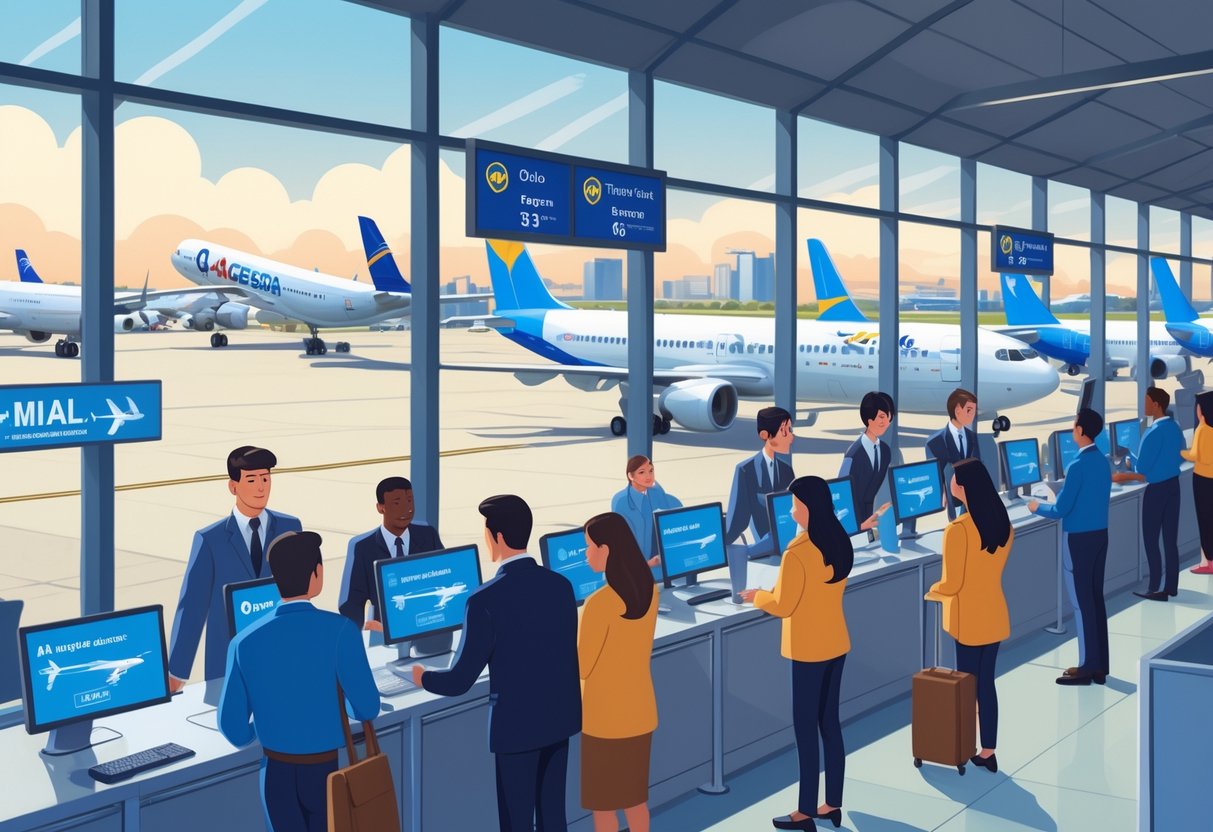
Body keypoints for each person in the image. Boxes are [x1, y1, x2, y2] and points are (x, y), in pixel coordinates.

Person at [411, 495, 581, 832]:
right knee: (553, 816)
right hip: (559, 719)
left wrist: (422, 677)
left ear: (498, 537)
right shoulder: (561, 586)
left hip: (517, 729)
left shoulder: (484, 600)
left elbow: (459, 681)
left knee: (517, 821)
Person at [218, 531, 380, 832]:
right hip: (327, 772)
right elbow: (367, 708)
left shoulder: (243, 642)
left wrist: (269, 722)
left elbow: (234, 729)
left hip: (275, 772)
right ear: (316, 574)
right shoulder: (341, 630)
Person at [739, 476, 853, 830]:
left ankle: (805, 811)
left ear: (805, 507)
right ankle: (832, 803)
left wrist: (758, 595)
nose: (790, 510)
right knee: (830, 726)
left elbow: (785, 604)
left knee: (806, 731)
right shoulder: (838, 540)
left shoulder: (797, 552)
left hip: (808, 650)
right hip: (836, 643)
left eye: (793, 504)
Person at [168, 446, 301, 690]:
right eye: (251, 480)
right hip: (228, 668)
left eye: (265, 478)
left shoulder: (290, 528)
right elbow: (192, 607)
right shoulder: (210, 540)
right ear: (233, 486)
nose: (261, 487)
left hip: (282, 660)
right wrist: (177, 671)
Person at [926, 459, 1013, 774]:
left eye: (952, 480)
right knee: (986, 685)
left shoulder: (958, 530)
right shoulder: (1003, 524)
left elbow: (952, 583)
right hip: (994, 614)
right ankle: (988, 750)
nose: (949, 484)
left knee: (965, 688)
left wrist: (932, 589)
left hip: (967, 621)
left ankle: (963, 748)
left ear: (962, 487)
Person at [578, 513, 659, 832]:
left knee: (604, 808)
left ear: (606, 549)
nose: (586, 554)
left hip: (604, 722)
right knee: (636, 802)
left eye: (589, 547)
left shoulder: (598, 604)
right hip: (640, 713)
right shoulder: (649, 592)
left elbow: (583, 666)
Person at [1030, 408, 1112, 686]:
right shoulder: (1102, 461)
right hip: (1100, 536)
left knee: (1082, 604)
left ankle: (1087, 667)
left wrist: (1035, 505)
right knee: (1096, 600)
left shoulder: (1077, 466)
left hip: (1079, 540)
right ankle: (1100, 665)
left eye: (1074, 426)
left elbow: (1061, 509)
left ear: (1080, 431)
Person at [339, 476, 448, 653]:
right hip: (383, 639)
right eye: (397, 503)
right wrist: (361, 632)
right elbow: (350, 603)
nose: (407, 508)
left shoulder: (427, 535)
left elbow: (444, 576)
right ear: (380, 507)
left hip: (428, 631)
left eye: (410, 500)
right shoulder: (362, 547)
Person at [1113, 388, 1185, 599]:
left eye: (1146, 400)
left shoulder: (1151, 433)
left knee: (1151, 540)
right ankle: (1171, 586)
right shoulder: (1175, 428)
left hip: (1156, 491)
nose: (1143, 404)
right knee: (1170, 541)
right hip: (1174, 487)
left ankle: (1155, 588)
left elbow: (1142, 468)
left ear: (1156, 404)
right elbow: (1179, 456)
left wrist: (1129, 461)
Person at [724, 406, 796, 559]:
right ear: (765, 435)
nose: (791, 437)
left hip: (789, 546)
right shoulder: (746, 470)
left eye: (790, 430)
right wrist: (719, 551)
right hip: (764, 553)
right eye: (786, 431)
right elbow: (736, 521)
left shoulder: (786, 470)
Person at [610, 455, 678, 568]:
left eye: (651, 471)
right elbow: (622, 545)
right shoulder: (621, 502)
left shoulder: (659, 494)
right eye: (642, 472)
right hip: (639, 568)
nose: (649, 476)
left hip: (662, 563)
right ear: (631, 476)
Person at [840, 392, 896, 523]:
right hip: (852, 519)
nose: (886, 422)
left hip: (871, 516)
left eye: (889, 417)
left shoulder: (885, 451)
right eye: (881, 416)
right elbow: (841, 493)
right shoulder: (853, 454)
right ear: (869, 419)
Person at [925, 388, 981, 520]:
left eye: (974, 410)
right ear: (957, 411)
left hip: (974, 506)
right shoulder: (934, 442)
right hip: (952, 510)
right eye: (969, 410)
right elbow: (935, 478)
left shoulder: (973, 437)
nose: (973, 414)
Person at [1183, 391, 1213, 576]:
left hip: (1203, 479)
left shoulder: (1202, 429)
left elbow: (1196, 456)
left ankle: (1209, 562)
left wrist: (1180, 453)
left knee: (1205, 520)